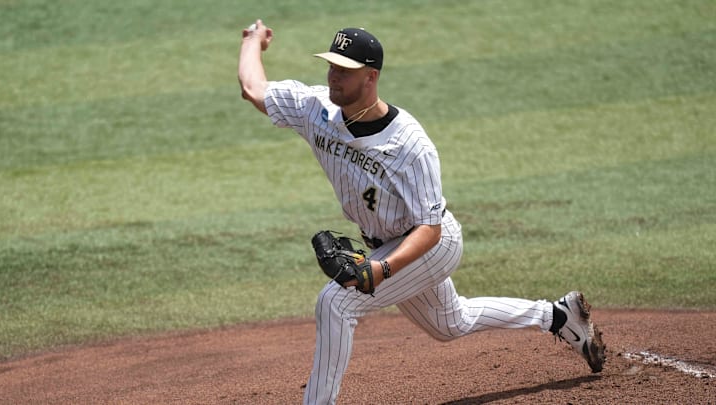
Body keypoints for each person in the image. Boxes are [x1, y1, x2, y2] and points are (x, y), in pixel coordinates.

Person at [238, 20, 605, 405]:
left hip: (431, 243)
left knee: (335, 302)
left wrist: (379, 269)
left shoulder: (409, 144)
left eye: (345, 70)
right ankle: (560, 317)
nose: (333, 77)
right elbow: (254, 88)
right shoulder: (316, 110)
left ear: (371, 76)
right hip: (388, 244)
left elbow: (429, 229)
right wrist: (252, 41)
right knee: (451, 323)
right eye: (331, 66)